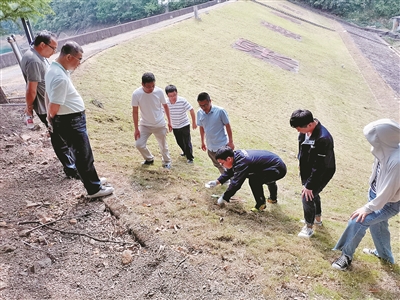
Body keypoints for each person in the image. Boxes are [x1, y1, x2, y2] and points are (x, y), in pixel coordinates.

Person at [45, 41, 114, 198]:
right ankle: (94, 189)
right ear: (69, 56)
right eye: (79, 59)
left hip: (70, 119)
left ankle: (93, 180)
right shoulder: (59, 77)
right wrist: (52, 120)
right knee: (83, 155)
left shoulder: (55, 69)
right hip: (69, 121)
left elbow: (48, 96)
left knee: (84, 153)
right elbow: (53, 106)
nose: (79, 63)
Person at [332, 119, 400, 270]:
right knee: (378, 226)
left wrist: (368, 208)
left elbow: (388, 192)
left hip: (389, 202)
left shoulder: (397, 161)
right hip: (376, 195)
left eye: (374, 138)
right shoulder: (383, 149)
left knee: (358, 221)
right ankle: (385, 255)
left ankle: (345, 257)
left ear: (384, 138)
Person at [20, 30, 78, 179]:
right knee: (59, 137)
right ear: (42, 45)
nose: (55, 51)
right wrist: (29, 109)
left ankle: (72, 164)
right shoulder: (33, 60)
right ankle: (70, 168)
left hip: (49, 103)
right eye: (53, 48)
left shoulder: (36, 56)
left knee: (61, 135)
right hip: (45, 106)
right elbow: (31, 89)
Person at [290, 109, 336, 238]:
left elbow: (320, 166)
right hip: (308, 168)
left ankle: (309, 227)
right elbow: (302, 149)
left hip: (322, 171)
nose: (298, 131)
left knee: (307, 195)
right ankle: (317, 219)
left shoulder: (323, 138)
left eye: (299, 128)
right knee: (312, 194)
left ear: (309, 125)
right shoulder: (305, 132)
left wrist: (310, 184)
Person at [207, 146, 287, 212]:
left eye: (222, 163)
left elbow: (236, 184)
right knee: (265, 178)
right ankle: (273, 198)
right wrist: (217, 181)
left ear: (228, 159)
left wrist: (224, 197)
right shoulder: (235, 156)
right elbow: (230, 171)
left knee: (254, 180)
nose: (222, 165)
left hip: (278, 169)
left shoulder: (242, 163)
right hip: (272, 165)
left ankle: (261, 204)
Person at [132, 73, 172, 169]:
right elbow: (135, 112)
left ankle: (167, 161)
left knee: (163, 145)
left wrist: (170, 121)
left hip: (159, 124)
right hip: (145, 125)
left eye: (153, 85)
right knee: (139, 144)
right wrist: (136, 129)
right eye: (148, 86)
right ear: (142, 84)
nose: (151, 88)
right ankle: (149, 159)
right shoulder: (136, 94)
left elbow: (165, 106)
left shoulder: (159, 92)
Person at [197, 92, 234, 174]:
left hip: (222, 145)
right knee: (217, 164)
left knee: (227, 164)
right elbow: (202, 127)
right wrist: (202, 142)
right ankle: (225, 179)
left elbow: (227, 126)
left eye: (205, 105)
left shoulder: (220, 111)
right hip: (210, 146)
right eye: (201, 106)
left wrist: (231, 141)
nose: (203, 108)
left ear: (210, 101)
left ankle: (232, 180)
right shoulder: (199, 113)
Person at [165, 85, 196, 163]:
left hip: (184, 124)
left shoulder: (182, 101)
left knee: (187, 141)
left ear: (177, 93)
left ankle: (190, 157)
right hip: (175, 125)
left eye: (174, 95)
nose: (173, 97)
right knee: (179, 141)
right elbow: (161, 113)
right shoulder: (166, 103)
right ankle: (185, 152)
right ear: (167, 95)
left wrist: (194, 122)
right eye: (171, 96)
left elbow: (191, 110)